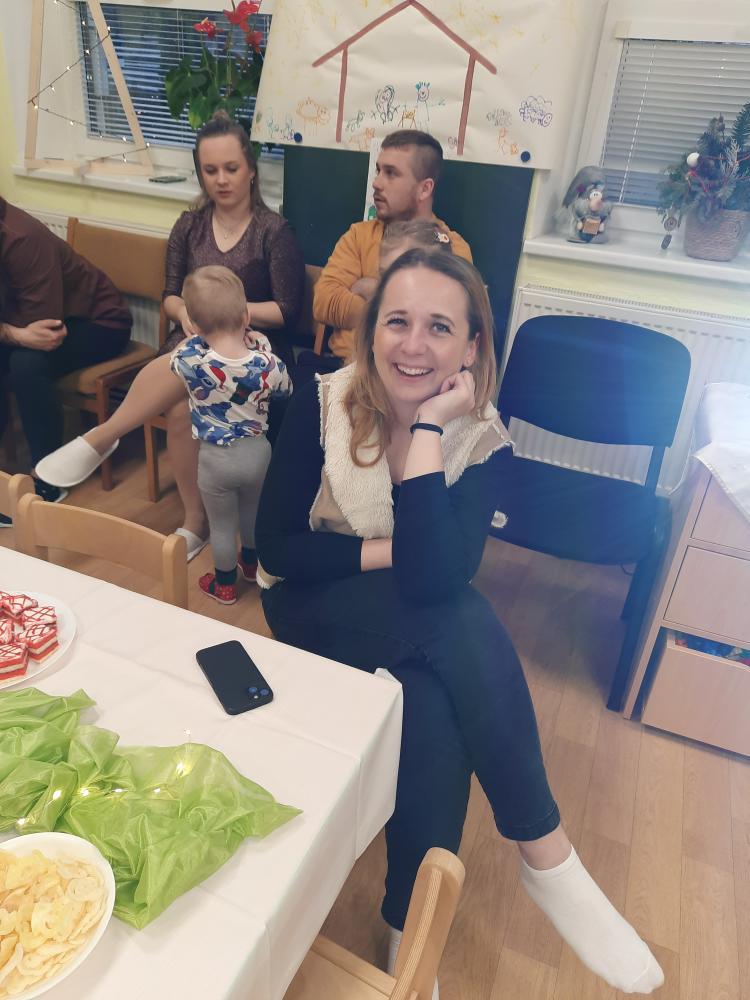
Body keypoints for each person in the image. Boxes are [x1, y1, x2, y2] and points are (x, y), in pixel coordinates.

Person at [255, 250, 664, 998]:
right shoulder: (321, 401)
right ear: (371, 331)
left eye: (439, 327)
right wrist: (396, 548)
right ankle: (546, 853)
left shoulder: (477, 436)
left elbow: (437, 575)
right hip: (308, 600)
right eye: (397, 321)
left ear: (471, 347)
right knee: (460, 623)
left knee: (433, 701)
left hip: (409, 611)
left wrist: (430, 430)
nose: (413, 345)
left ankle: (408, 929)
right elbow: (280, 550)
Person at [36, 111, 305, 559]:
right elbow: (170, 295)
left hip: (249, 346)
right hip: (193, 339)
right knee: (182, 404)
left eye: (231, 168)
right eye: (210, 170)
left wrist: (225, 315)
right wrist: (188, 314)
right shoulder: (189, 225)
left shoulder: (274, 232)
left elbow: (287, 310)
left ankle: (104, 436)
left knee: (186, 394)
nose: (221, 180)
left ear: (251, 170)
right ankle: (195, 521)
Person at [0, 196, 132, 515]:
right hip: (28, 324)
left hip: (99, 322)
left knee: (25, 364)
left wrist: (10, 333)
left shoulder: (22, 238)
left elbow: (45, 333)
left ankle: (46, 477)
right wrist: (12, 333)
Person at [170, 266, 290, 604]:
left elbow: (179, 357)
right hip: (258, 454)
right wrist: (260, 345)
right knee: (252, 513)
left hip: (216, 459)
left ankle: (224, 585)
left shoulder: (191, 361)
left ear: (195, 325)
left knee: (222, 526)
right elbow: (285, 390)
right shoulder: (268, 363)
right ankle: (250, 566)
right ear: (247, 316)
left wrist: (197, 336)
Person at [313, 130, 471, 365]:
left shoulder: (450, 248)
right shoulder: (359, 235)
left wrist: (371, 289)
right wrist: (400, 312)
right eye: (379, 170)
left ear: (425, 189)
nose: (376, 183)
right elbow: (324, 303)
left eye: (391, 173)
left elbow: (444, 326)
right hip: (342, 366)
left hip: (412, 370)